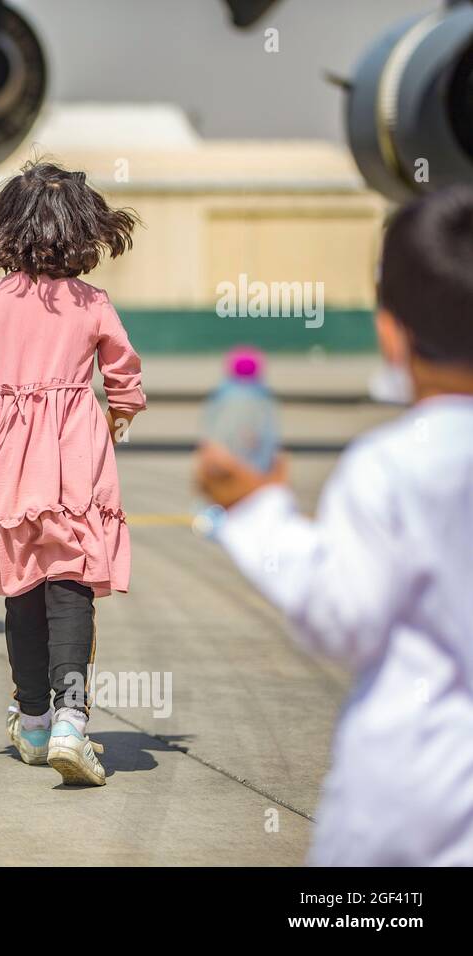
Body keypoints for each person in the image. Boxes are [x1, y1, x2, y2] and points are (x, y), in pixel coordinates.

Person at [195, 186, 473, 863]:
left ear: (390, 328)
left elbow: (342, 618)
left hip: (418, 803)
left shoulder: (389, 467)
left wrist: (255, 510)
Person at [0, 161, 144, 786]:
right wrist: (118, 412)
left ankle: (33, 720)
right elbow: (123, 374)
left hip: (5, 458)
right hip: (74, 452)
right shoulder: (92, 303)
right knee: (71, 583)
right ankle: (71, 719)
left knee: (19, 586)